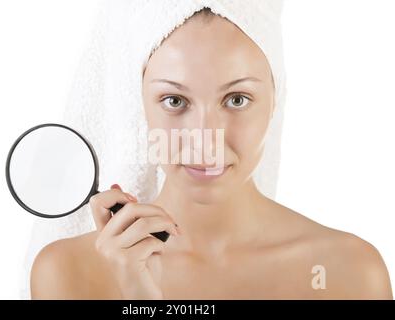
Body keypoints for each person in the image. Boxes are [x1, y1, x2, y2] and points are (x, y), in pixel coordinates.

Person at [29, 7, 392, 299]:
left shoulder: (351, 274)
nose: (204, 140)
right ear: (140, 106)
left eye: (237, 99)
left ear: (275, 101)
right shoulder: (68, 272)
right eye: (175, 101)